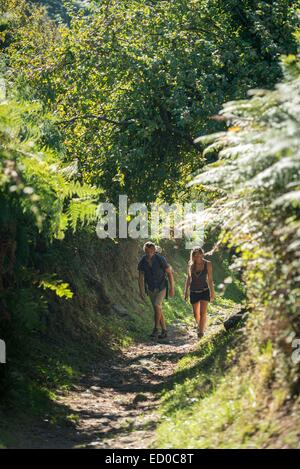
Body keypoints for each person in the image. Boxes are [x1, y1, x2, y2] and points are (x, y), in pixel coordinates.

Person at [138, 241, 175, 340]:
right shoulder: (142, 261)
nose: (149, 253)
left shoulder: (160, 259)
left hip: (162, 286)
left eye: (151, 251)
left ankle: (156, 328)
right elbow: (140, 277)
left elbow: (169, 273)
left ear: (154, 251)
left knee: (157, 305)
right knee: (157, 309)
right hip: (150, 288)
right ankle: (164, 331)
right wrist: (141, 291)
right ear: (145, 251)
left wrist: (172, 288)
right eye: (147, 251)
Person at [184, 247, 215, 338]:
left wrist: (212, 292)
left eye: (199, 254)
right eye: (195, 255)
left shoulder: (208, 264)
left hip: (204, 290)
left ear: (202, 254)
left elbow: (210, 279)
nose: (197, 256)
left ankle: (201, 333)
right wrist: (186, 291)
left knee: (203, 313)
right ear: (192, 256)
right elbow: (189, 278)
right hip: (193, 291)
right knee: (196, 314)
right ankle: (200, 326)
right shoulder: (191, 265)